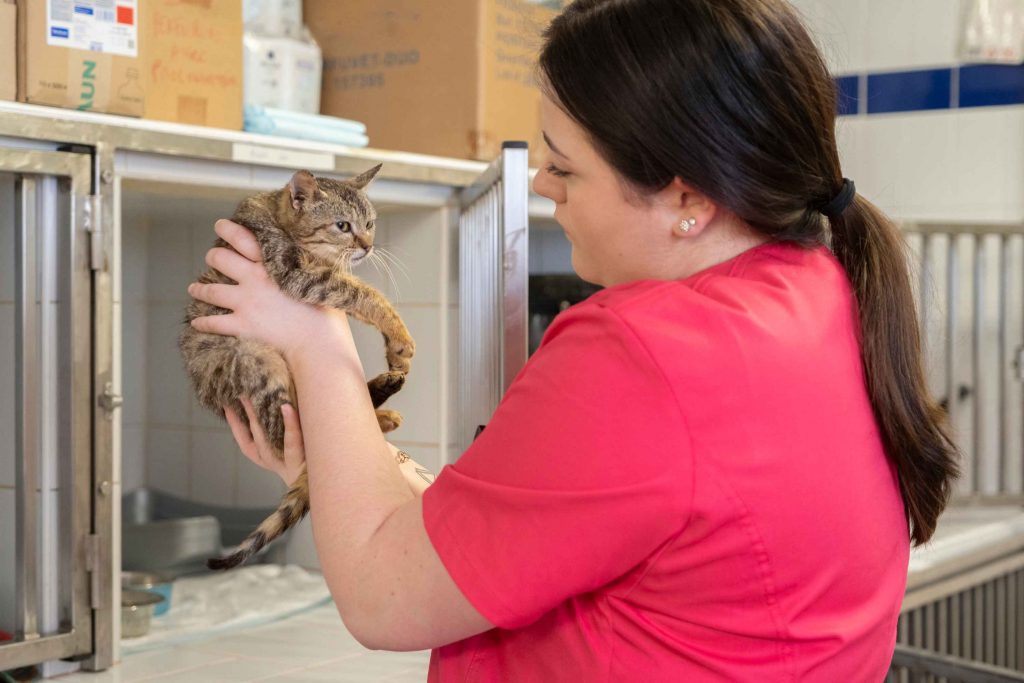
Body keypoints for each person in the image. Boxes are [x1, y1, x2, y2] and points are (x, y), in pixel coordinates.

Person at [187, 0, 961, 679]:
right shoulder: (823, 292)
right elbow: (570, 532)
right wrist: (351, 466)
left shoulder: (645, 350)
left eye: (563, 165)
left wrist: (314, 335)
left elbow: (384, 599)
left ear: (685, 196)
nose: (541, 186)